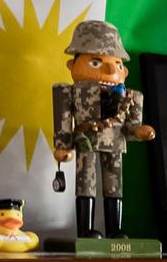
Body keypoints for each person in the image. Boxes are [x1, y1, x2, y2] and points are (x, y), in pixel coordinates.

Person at [51, 20, 154, 239]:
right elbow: (63, 119)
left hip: (115, 143)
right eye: (96, 63)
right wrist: (63, 146)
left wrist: (140, 131)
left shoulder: (128, 96)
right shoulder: (71, 92)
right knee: (85, 183)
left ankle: (114, 230)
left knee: (114, 184)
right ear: (72, 65)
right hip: (85, 141)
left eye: (117, 65)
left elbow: (130, 127)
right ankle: (85, 230)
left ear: (124, 71)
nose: (109, 69)